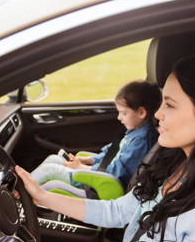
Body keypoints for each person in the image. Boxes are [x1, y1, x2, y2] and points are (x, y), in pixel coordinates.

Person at [14, 52, 195, 242]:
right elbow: (119, 211)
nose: (157, 114)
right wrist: (43, 197)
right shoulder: (179, 163)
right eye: (162, 101)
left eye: (170, 105)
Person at [30, 80, 161, 189]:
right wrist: (87, 160)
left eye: (124, 113)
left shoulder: (140, 141)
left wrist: (80, 167)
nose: (119, 117)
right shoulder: (135, 132)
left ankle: (18, 193)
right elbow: (110, 154)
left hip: (102, 184)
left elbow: (115, 173)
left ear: (141, 113)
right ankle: (22, 189)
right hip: (100, 175)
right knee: (54, 159)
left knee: (49, 171)